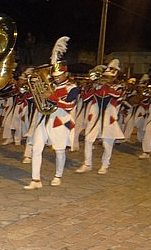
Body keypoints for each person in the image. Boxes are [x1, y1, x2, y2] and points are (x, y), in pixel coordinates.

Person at [24, 37, 79, 190]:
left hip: (60, 121)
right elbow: (35, 99)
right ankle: (35, 179)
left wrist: (51, 97)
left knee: (60, 150)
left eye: (59, 75)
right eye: (54, 75)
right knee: (36, 148)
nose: (56, 77)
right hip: (43, 119)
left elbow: (69, 105)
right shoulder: (50, 85)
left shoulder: (72, 87)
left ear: (65, 74)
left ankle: (58, 175)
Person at [76, 59, 125, 175]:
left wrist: (104, 87)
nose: (106, 79)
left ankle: (105, 165)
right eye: (105, 77)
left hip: (109, 118)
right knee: (88, 140)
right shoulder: (96, 87)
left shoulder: (118, 87)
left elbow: (117, 97)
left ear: (114, 78)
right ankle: (87, 164)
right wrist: (88, 87)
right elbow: (85, 98)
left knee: (107, 143)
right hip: (95, 118)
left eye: (108, 77)